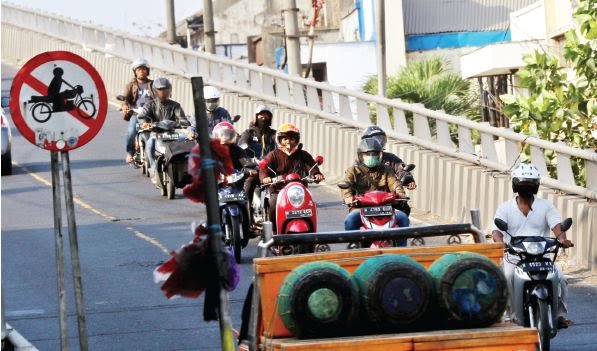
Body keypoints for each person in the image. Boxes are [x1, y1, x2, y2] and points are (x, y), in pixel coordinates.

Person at [492, 163, 573, 329]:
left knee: (561, 279)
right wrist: (500, 243)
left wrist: (562, 239)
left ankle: (557, 316)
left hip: (541, 255)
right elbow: (496, 231)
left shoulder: (545, 206)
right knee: (507, 276)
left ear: (536, 186)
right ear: (515, 185)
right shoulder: (505, 207)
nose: (526, 188)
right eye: (523, 185)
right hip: (514, 255)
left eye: (530, 184)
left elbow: (557, 227)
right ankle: (512, 316)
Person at [340, 138, 409, 246]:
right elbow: (346, 185)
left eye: (374, 154)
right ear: (360, 156)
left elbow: (394, 183)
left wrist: (400, 193)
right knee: (350, 220)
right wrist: (348, 197)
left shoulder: (387, 169)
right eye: (367, 154)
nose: (371, 157)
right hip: (361, 208)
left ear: (380, 155)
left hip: (385, 209)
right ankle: (354, 245)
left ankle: (402, 250)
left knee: (403, 218)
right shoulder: (353, 170)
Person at [259, 123, 324, 231]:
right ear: (279, 140)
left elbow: (312, 167)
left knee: (311, 204)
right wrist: (265, 177)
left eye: (292, 139)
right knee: (273, 202)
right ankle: (275, 231)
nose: (288, 142)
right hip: (278, 189)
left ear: (296, 140)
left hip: (299, 190)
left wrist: (317, 174)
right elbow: (264, 168)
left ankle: (313, 233)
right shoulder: (273, 154)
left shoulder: (303, 154)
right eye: (285, 139)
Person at [137, 77, 193, 184]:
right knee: (150, 143)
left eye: (165, 89)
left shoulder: (175, 105)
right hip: (156, 133)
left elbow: (182, 118)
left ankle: (183, 169)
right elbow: (142, 116)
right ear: (155, 91)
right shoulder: (150, 105)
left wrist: (182, 122)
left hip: (173, 133)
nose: (163, 92)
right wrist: (145, 123)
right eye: (160, 89)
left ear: (169, 90)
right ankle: (153, 167)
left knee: (186, 143)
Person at [237, 104, 277, 217]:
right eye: (261, 116)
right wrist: (251, 159)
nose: (263, 119)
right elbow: (241, 146)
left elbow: (281, 144)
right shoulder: (248, 133)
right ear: (255, 117)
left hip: (270, 170)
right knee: (249, 183)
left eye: (266, 117)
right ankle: (246, 214)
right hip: (254, 168)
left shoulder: (274, 134)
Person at [121, 58, 154, 164]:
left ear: (147, 71)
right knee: (131, 132)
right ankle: (130, 152)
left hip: (151, 114)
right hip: (136, 113)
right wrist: (125, 106)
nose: (141, 71)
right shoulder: (130, 85)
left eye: (144, 69)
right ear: (135, 72)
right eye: (139, 69)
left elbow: (160, 96)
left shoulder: (153, 84)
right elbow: (125, 99)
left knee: (161, 131)